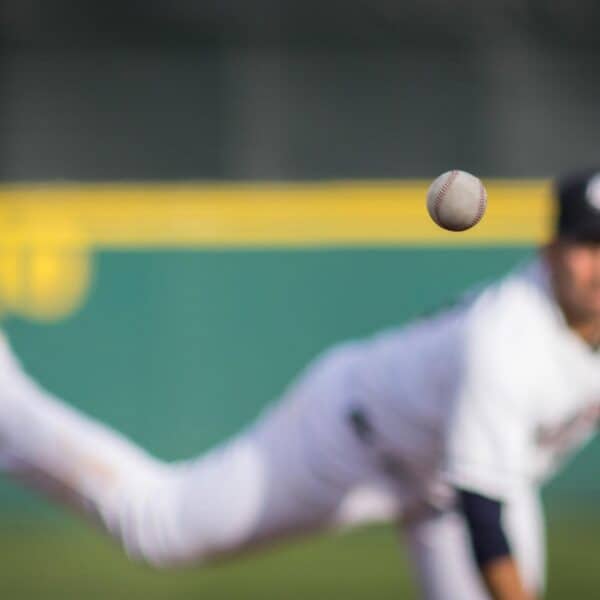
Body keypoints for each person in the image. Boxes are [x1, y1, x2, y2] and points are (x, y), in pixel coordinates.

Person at [1, 169, 600, 600]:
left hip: (452, 481)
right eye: (586, 245)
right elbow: (484, 508)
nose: (598, 264)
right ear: (549, 252)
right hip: (353, 435)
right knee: (161, 526)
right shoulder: (509, 337)